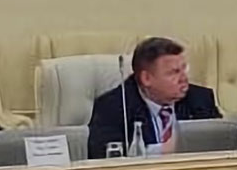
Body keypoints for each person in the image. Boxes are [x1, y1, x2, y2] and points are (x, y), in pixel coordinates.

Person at [86, 36, 222, 159]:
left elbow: (221, 143)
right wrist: (164, 150)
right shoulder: (112, 107)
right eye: (174, 72)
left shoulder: (200, 99)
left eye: (184, 69)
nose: (184, 78)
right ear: (146, 78)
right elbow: (103, 155)